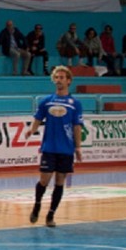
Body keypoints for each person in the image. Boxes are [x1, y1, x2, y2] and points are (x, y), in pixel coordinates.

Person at [26, 65, 83, 228]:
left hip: (66, 148)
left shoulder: (74, 104)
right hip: (49, 147)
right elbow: (38, 118)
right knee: (44, 179)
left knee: (60, 181)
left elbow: (77, 126)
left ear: (69, 81)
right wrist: (32, 130)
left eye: (62, 78)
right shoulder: (46, 101)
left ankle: (51, 214)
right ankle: (37, 205)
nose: (58, 80)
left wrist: (78, 148)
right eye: (56, 77)